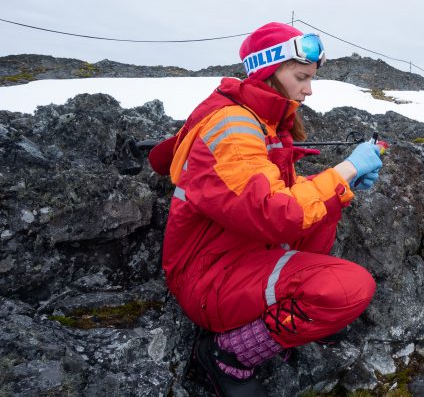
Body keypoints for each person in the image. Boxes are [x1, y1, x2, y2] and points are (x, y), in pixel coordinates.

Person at [148, 22, 382, 395]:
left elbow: (279, 199)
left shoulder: (262, 122)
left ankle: (288, 313)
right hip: (209, 278)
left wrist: (344, 185)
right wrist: (346, 169)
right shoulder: (234, 128)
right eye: (302, 77)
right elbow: (277, 214)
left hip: (240, 255)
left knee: (327, 210)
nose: (308, 90)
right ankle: (229, 354)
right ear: (268, 72)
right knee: (352, 288)